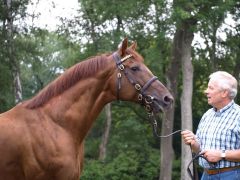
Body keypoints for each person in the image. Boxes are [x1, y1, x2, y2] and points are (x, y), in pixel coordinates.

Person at [181, 71, 240, 180]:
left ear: (224, 93)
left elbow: (219, 154)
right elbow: (199, 149)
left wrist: (222, 154)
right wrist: (194, 142)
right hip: (206, 175)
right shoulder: (207, 115)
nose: (206, 91)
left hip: (232, 175)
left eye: (211, 88)